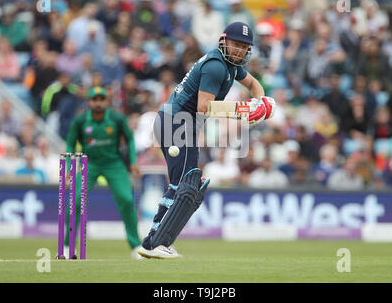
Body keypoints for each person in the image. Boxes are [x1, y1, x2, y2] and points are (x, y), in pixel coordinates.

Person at [138, 22, 276, 259]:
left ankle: (155, 241)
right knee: (182, 184)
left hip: (183, 125)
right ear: (224, 42)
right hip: (176, 122)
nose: (239, 50)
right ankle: (155, 243)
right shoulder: (216, 66)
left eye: (244, 47)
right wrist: (244, 109)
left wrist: (260, 103)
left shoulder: (232, 66)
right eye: (236, 44)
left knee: (188, 184)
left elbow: (254, 84)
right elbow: (204, 107)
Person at [64, 86, 142, 260]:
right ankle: (68, 246)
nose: (98, 103)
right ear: (88, 102)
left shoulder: (117, 118)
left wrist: (133, 162)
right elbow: (70, 144)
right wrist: (69, 165)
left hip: (113, 163)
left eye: (101, 99)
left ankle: (136, 246)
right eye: (94, 99)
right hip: (88, 163)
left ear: (107, 101)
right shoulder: (80, 120)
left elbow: (129, 139)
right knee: (75, 202)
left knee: (127, 200)